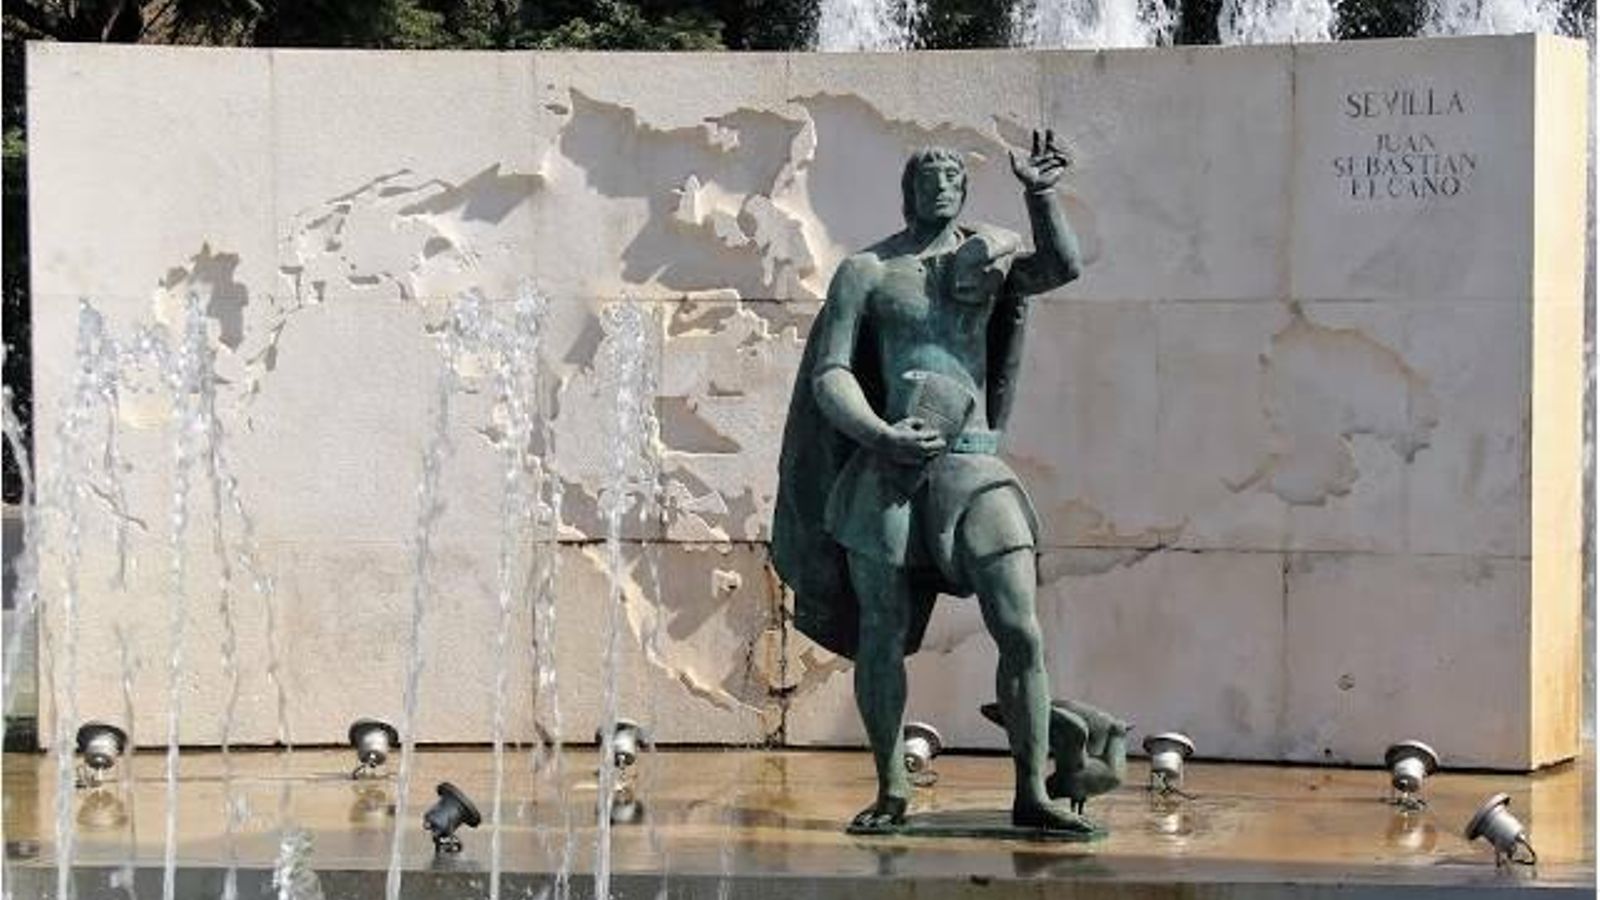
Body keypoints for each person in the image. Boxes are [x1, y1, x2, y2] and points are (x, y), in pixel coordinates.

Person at [772, 131, 1086, 832]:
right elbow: (831, 371)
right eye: (928, 176)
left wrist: (1041, 196)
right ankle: (892, 787)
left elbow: (1060, 267)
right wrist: (878, 433)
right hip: (888, 467)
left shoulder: (986, 264)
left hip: (974, 465)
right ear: (908, 192)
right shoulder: (868, 271)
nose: (940, 186)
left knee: (1020, 629)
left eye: (951, 177)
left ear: (964, 192)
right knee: (881, 631)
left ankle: (1032, 791)